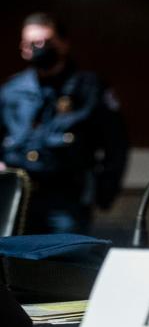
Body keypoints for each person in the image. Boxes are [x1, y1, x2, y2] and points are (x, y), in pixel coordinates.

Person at [0, 13, 128, 235]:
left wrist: (104, 193)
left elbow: (116, 144)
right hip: (15, 194)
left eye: (45, 42)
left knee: (62, 264)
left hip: (65, 199)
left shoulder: (89, 88)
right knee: (12, 263)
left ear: (63, 43)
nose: (37, 48)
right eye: (30, 43)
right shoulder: (12, 89)